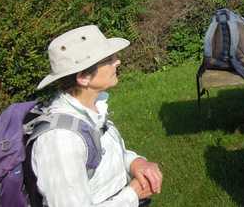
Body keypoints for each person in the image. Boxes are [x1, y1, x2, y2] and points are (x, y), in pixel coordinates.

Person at [31, 25, 163, 206]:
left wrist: (135, 162)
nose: (117, 62)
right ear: (84, 77)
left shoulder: (93, 109)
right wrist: (132, 195)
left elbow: (106, 158)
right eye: (108, 59)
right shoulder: (61, 140)